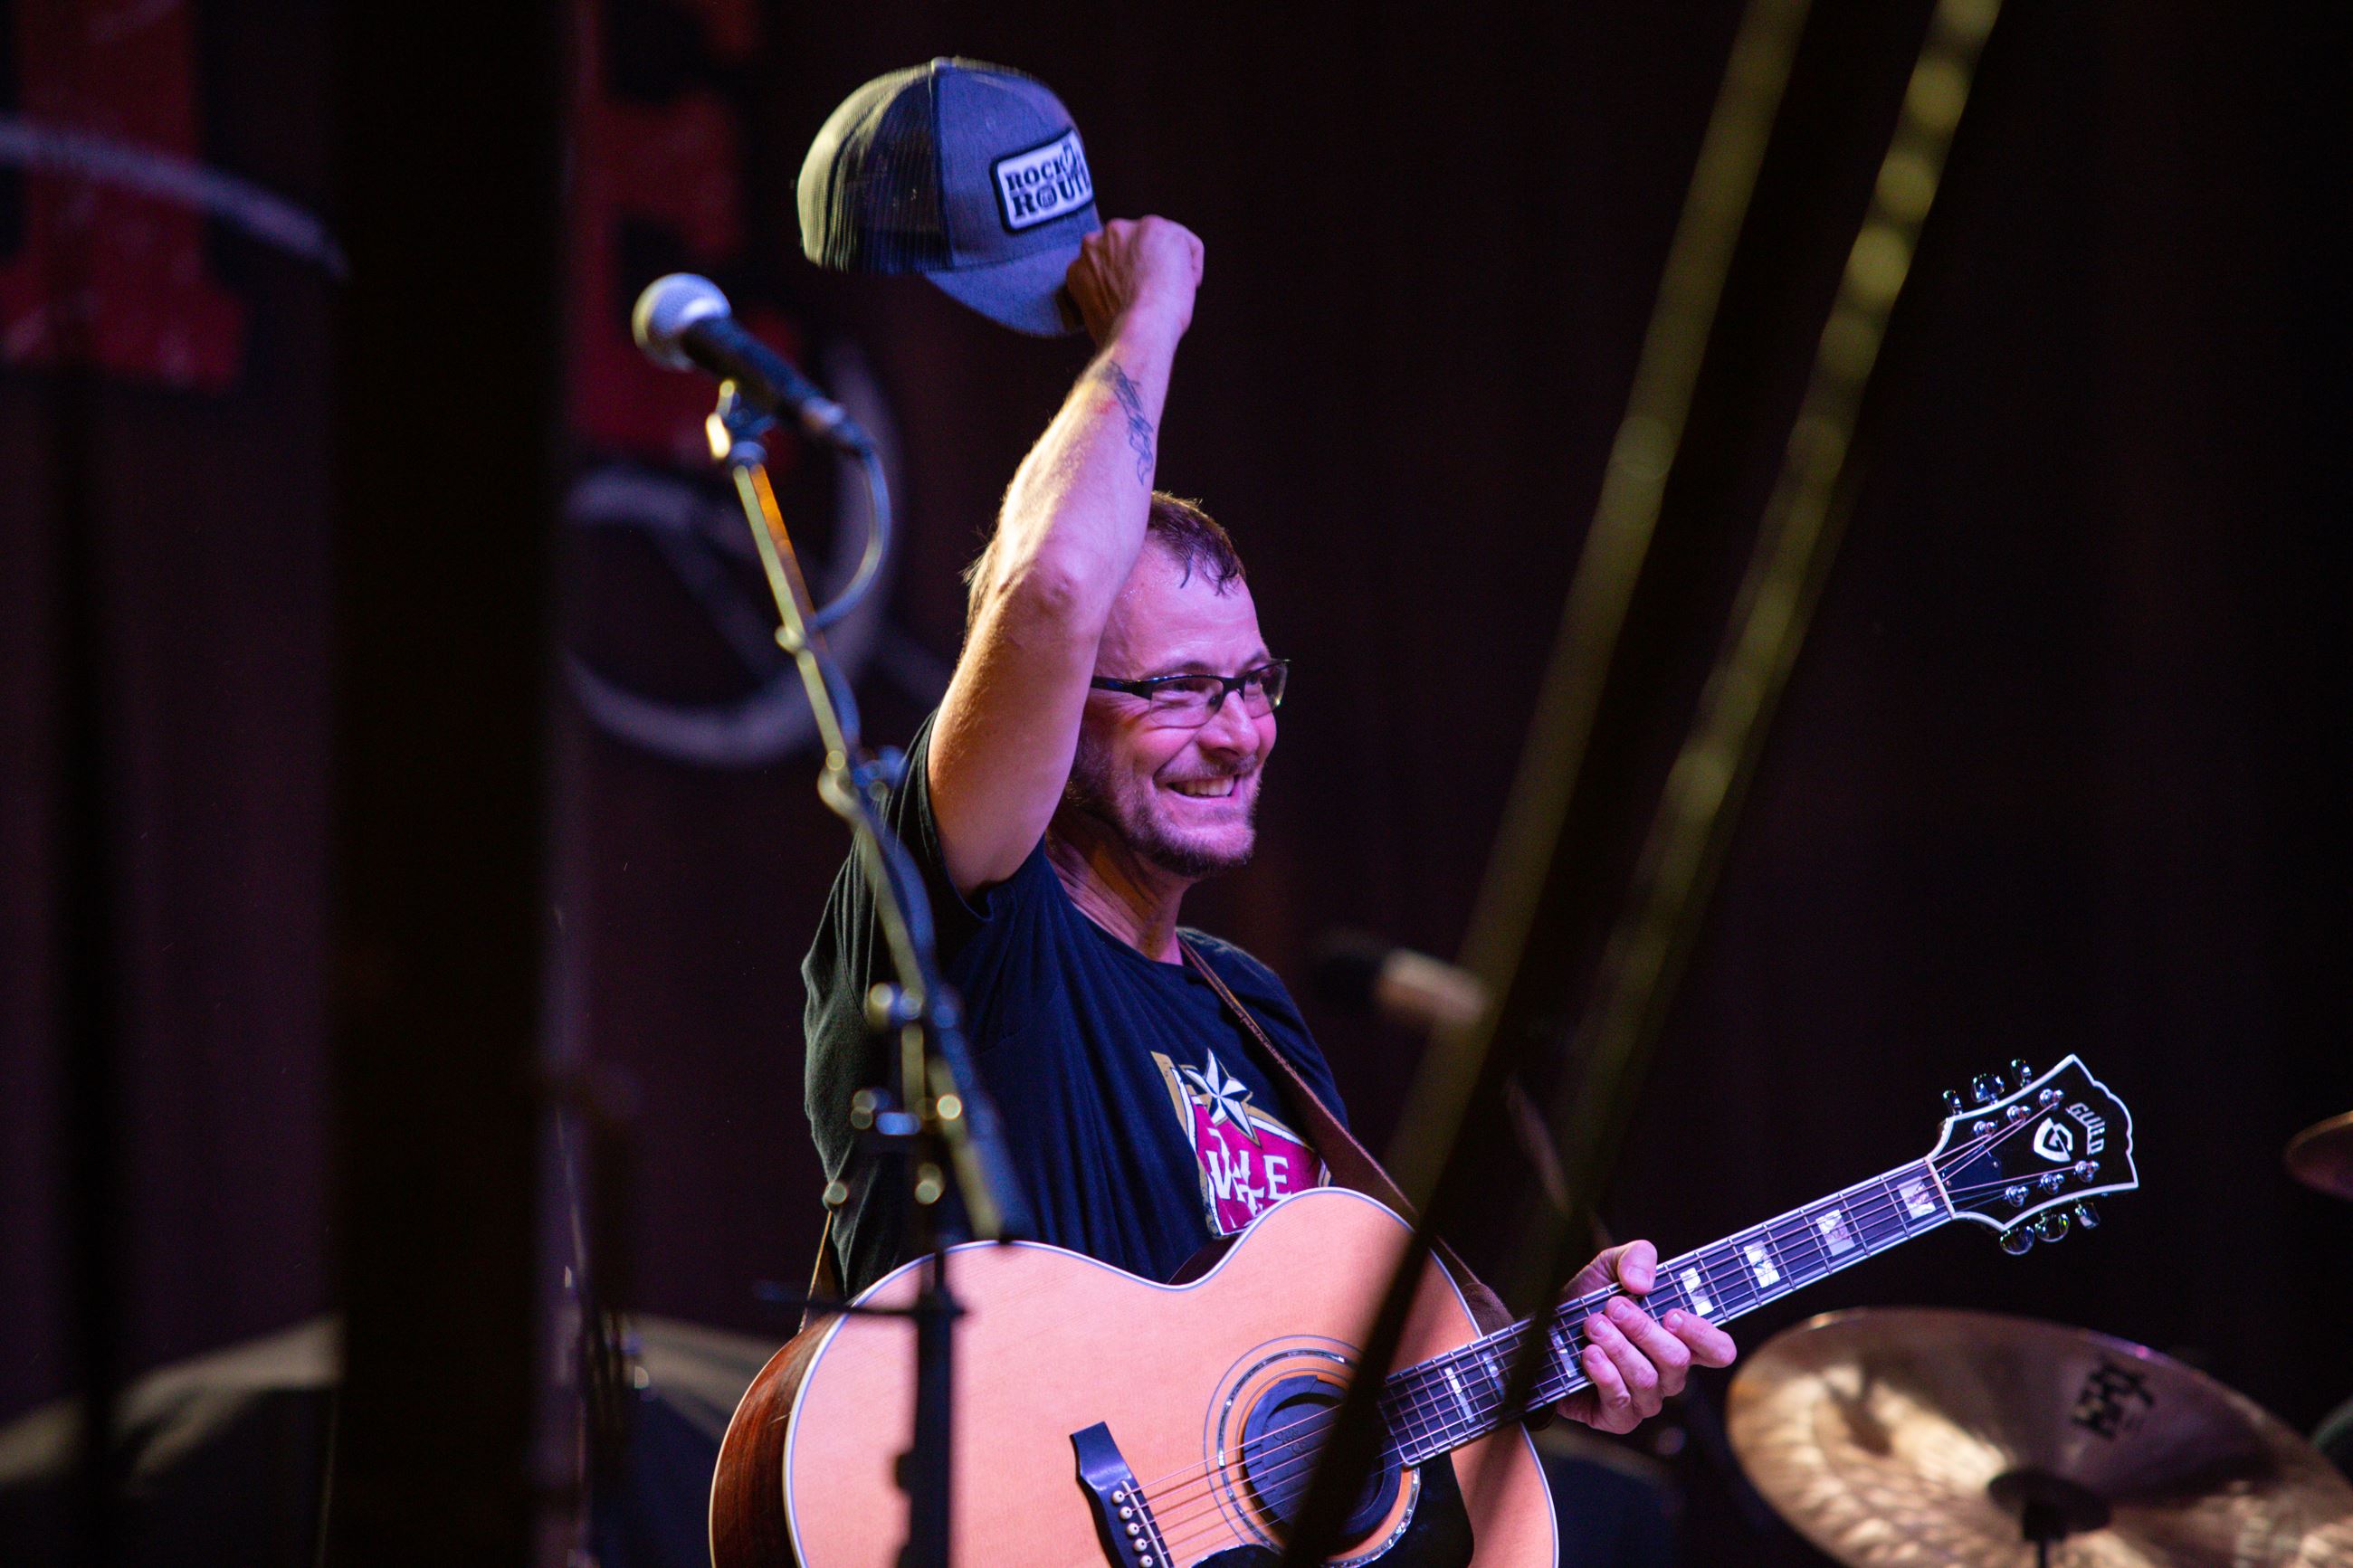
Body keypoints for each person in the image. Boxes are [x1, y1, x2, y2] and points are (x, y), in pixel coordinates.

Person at [803, 215, 1734, 1434]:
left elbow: (1321, 1412)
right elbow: (1050, 592)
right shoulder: (972, 908)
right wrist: (1150, 314)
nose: (1241, 732)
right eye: (1180, 689)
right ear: (1051, 705)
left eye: (1252, 682)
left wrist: (1551, 1362)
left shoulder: (1255, 1010)